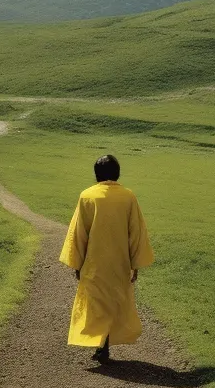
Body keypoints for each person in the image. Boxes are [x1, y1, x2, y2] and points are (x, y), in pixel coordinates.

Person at [59, 154, 155, 363]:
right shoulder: (128, 197)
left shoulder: (87, 196)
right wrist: (135, 263)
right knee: (114, 303)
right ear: (117, 174)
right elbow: (136, 232)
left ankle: (101, 343)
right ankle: (105, 342)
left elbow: (79, 233)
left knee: (97, 303)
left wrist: (77, 262)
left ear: (96, 175)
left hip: (94, 263)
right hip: (120, 262)